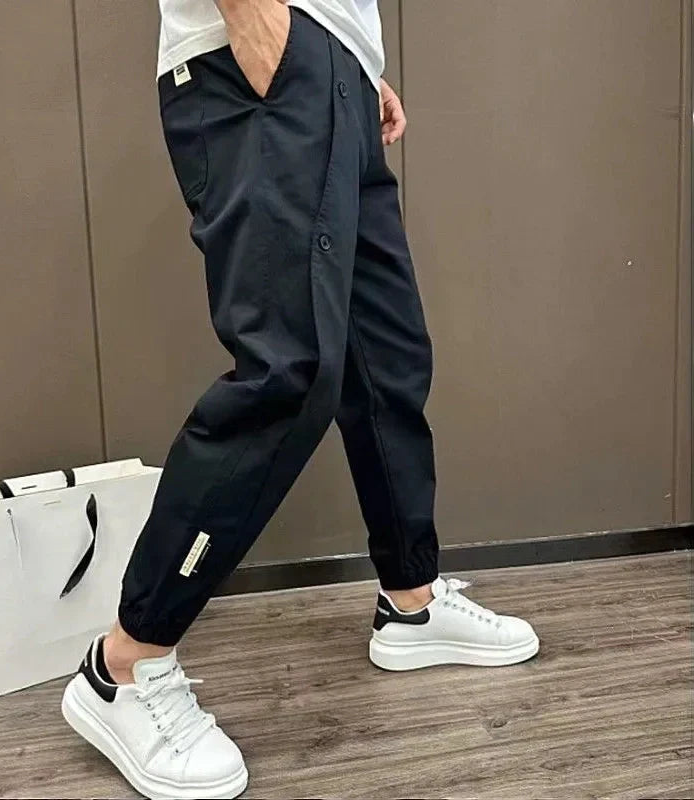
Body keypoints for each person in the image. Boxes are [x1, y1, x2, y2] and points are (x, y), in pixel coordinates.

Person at [61, 0, 540, 797]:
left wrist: (358, 59)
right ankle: (125, 665)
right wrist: (258, 19)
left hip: (335, 69)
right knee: (288, 372)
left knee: (385, 359)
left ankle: (411, 602)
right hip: (257, 56)